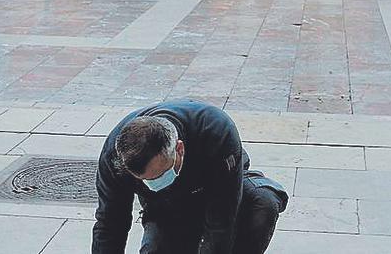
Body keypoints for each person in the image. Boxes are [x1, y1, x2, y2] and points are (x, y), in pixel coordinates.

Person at [92, 100, 288, 254]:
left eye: (161, 175)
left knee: (263, 204)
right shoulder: (115, 157)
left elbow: (221, 221)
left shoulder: (215, 130)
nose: (155, 183)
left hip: (217, 188)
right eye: (147, 180)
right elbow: (110, 223)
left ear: (179, 148)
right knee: (157, 248)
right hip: (167, 205)